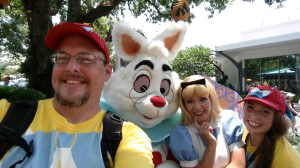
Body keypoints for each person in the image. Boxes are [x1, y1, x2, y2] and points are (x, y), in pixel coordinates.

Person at [0, 22, 153, 167]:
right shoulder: (7, 115)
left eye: (86, 59)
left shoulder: (127, 138)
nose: (71, 67)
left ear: (107, 72)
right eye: (62, 58)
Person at [169, 75, 245, 168]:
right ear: (184, 105)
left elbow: (239, 164)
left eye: (203, 99)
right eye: (190, 101)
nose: (197, 107)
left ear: (211, 98)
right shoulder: (181, 134)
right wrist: (211, 144)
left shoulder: (227, 120)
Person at [240, 86, 300, 168]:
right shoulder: (242, 133)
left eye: (265, 111)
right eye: (250, 107)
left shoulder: (286, 161)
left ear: (276, 118)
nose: (254, 116)